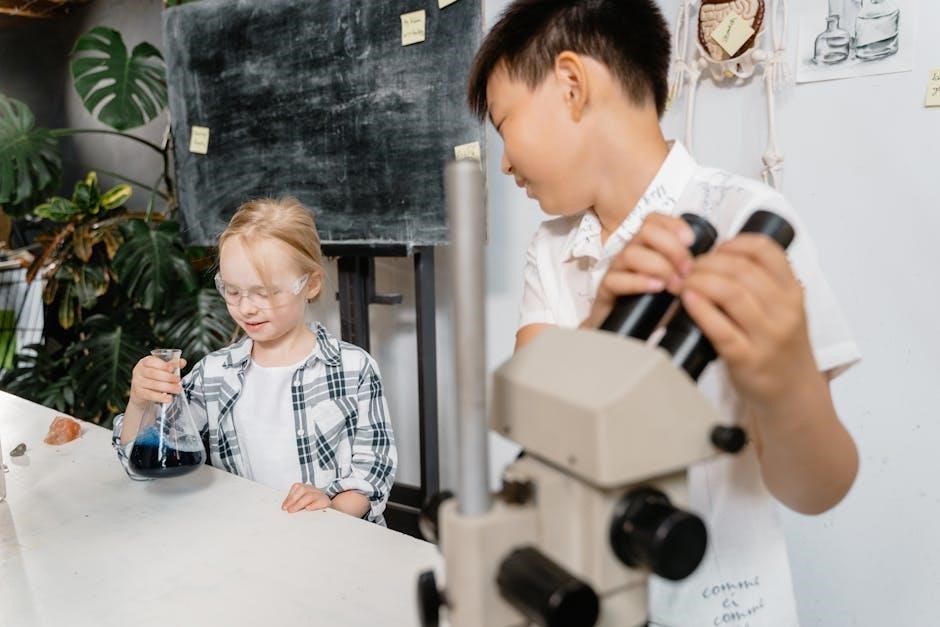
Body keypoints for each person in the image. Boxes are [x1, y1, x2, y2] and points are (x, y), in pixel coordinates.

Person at [467, 1, 860, 624]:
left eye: (504, 122)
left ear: (571, 84)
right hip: (588, 595)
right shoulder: (553, 247)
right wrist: (597, 331)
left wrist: (787, 387)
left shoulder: (745, 221)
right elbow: (529, 430)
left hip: (723, 607)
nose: (505, 162)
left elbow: (818, 489)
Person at [112, 197, 397, 525]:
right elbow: (143, 463)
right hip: (244, 538)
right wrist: (140, 402)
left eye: (264, 293)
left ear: (311, 284)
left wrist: (331, 511)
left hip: (330, 542)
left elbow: (372, 473)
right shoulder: (213, 375)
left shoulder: (353, 369)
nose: (246, 308)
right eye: (232, 291)